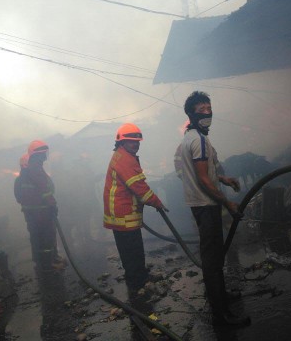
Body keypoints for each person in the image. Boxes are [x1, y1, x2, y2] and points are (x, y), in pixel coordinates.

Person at [176, 91, 251, 327]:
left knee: (215, 256)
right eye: (201, 110)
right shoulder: (198, 139)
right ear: (191, 114)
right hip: (206, 205)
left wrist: (223, 178)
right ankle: (221, 315)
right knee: (212, 260)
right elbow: (202, 180)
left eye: (209, 109)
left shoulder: (189, 138)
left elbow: (203, 173)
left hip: (199, 203)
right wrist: (227, 202)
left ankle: (219, 296)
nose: (207, 113)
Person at [103, 123, 167, 291]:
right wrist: (156, 202)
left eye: (137, 141)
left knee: (132, 248)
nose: (136, 144)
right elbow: (139, 188)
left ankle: (139, 276)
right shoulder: (125, 159)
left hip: (123, 212)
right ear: (121, 142)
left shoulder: (122, 155)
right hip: (124, 213)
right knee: (132, 249)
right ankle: (137, 284)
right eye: (131, 141)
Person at [15, 140, 66, 272]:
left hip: (41, 211)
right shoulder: (34, 168)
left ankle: (50, 259)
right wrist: (51, 203)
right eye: (42, 154)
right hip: (40, 213)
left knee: (44, 236)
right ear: (36, 155)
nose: (44, 157)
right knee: (44, 238)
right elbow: (43, 189)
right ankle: (47, 263)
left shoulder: (36, 167)